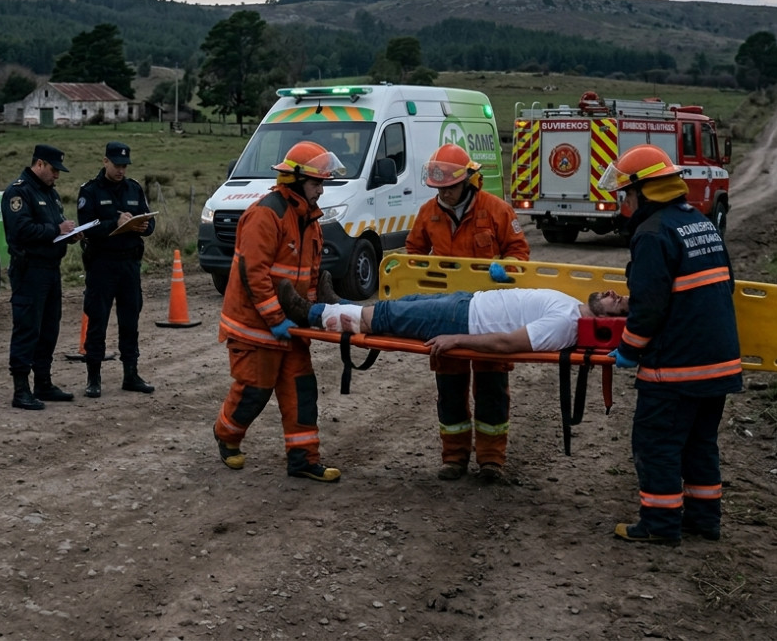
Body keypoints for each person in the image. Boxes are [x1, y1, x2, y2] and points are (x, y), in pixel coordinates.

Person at [600, 144, 742, 546]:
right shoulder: (698, 222)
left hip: (676, 368)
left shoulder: (651, 233)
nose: (624, 204)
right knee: (699, 443)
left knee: (657, 443)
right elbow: (725, 284)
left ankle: (660, 526)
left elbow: (648, 306)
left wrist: (629, 349)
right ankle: (703, 520)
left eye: (626, 195)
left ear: (644, 191)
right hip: (718, 363)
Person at [212, 141, 346, 483]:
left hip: (291, 328)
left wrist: (317, 313)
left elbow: (310, 278)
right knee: (254, 391)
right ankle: (227, 436)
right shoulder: (266, 214)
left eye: (323, 183)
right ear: (296, 180)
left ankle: (304, 459)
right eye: (317, 183)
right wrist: (275, 319)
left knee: (302, 392)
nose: (321, 189)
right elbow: (252, 274)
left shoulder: (310, 221)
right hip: (255, 327)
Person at [405, 143, 530, 482]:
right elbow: (413, 254)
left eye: (450, 187)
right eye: (439, 188)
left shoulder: (497, 211)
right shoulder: (428, 213)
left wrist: (507, 268)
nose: (444, 194)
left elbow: (521, 254)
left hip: (490, 314)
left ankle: (491, 461)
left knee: (491, 388)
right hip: (446, 314)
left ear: (469, 180)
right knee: (449, 388)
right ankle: (454, 458)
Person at [277, 283, 628, 353]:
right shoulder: (571, 309)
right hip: (467, 303)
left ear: (611, 322)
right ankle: (338, 303)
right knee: (400, 305)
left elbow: (508, 343)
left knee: (385, 316)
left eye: (617, 302)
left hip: (463, 322)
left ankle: (311, 314)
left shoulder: (564, 326)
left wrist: (457, 339)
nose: (612, 293)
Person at [2, 144, 79, 411]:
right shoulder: (19, 192)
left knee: (49, 328)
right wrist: (55, 229)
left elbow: (56, 225)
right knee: (27, 327)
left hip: (50, 269)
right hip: (29, 270)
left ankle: (43, 383)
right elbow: (21, 229)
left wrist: (70, 233)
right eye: (54, 170)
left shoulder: (50, 193)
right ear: (40, 164)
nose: (57, 176)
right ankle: (21, 389)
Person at [76, 141, 156, 398]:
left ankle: (131, 374)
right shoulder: (90, 191)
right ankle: (93, 377)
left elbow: (149, 219)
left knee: (130, 320)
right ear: (105, 161)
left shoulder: (133, 188)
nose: (120, 170)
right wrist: (114, 222)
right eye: (116, 165)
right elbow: (86, 227)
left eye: (124, 166)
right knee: (97, 320)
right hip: (102, 264)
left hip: (129, 264)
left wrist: (144, 226)